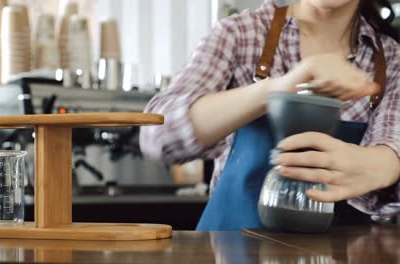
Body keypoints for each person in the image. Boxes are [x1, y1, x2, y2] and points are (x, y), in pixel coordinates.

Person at [140, 0, 400, 231]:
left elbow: (392, 145)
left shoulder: (392, 60)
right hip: (230, 251)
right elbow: (157, 135)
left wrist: (385, 164)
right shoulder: (240, 34)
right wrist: (276, 89)